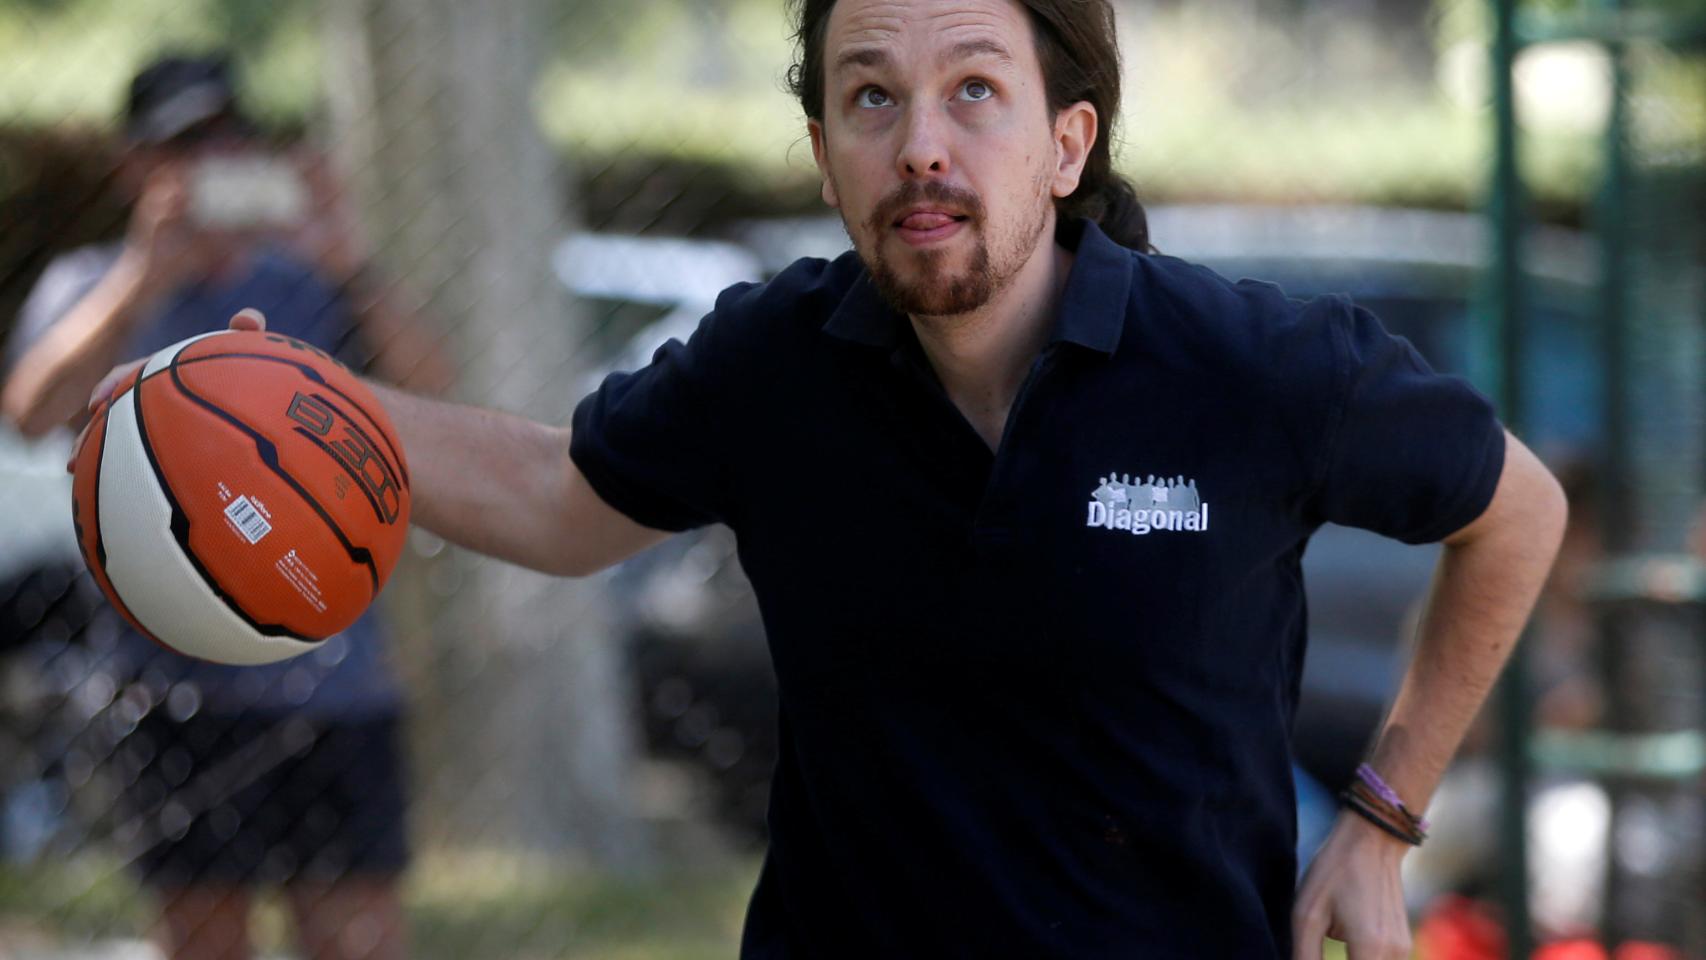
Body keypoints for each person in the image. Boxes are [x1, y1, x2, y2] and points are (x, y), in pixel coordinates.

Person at [93, 3, 1566, 958]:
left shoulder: (1249, 364)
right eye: (870, 99)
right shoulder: (774, 362)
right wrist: (302, 406)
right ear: (820, 152)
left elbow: (1516, 511)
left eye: (972, 92)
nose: (919, 144)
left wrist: (1379, 823)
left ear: (1068, 143)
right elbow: (556, 498)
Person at [4, 54, 450, 960]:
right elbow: (30, 407)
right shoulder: (96, 283)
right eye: (182, 147)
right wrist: (145, 272)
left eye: (226, 141)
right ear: (135, 167)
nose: (210, 162)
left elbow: (437, 396)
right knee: (205, 944)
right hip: (172, 690)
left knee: (359, 941)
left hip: (335, 680)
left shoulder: (310, 279)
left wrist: (346, 253)